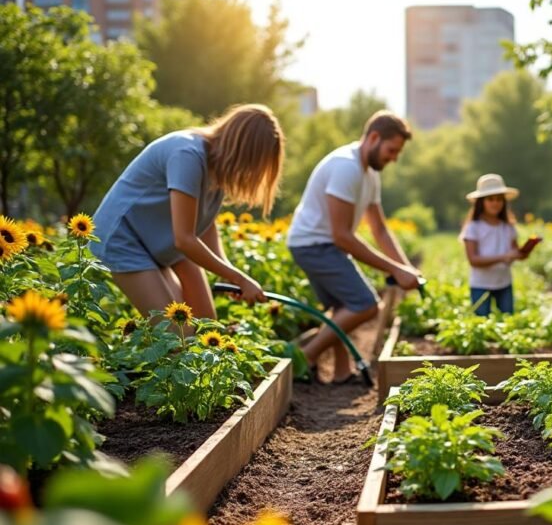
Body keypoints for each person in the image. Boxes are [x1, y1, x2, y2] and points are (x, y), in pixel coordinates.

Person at [91, 104, 283, 320]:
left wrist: (227, 270)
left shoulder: (218, 165)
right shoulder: (187, 155)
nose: (251, 172)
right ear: (244, 151)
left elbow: (205, 223)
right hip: (124, 238)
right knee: (175, 335)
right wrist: (239, 279)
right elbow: (184, 239)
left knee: (206, 324)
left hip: (157, 238)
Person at [287, 110, 421, 384]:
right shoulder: (346, 166)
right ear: (373, 137)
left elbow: (380, 229)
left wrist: (405, 268)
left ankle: (340, 371)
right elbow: (342, 236)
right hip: (314, 244)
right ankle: (305, 357)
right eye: (391, 150)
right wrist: (395, 269)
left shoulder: (369, 173)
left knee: (343, 306)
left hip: (322, 244)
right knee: (365, 305)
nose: (394, 158)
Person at [460, 174, 522, 316]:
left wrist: (524, 251)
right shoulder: (473, 228)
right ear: (481, 202)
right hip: (480, 284)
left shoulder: (508, 227)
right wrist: (503, 257)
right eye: (490, 199)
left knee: (507, 321)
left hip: (504, 282)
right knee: (481, 323)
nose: (495, 203)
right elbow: (473, 260)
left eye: (499, 199)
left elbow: (515, 253)